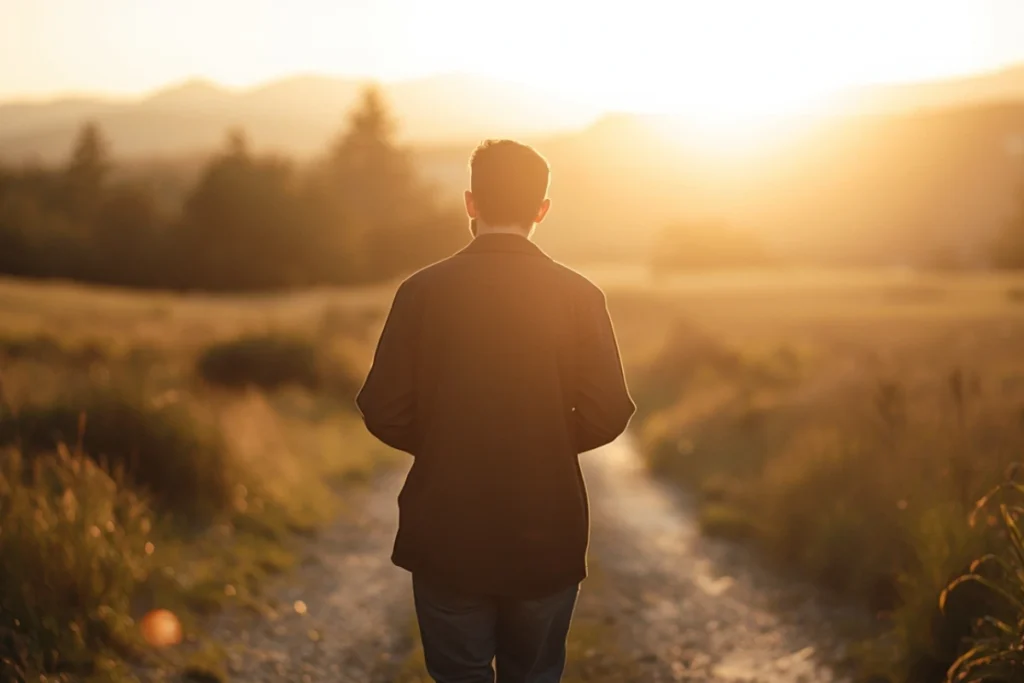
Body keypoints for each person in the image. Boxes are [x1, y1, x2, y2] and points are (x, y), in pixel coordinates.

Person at [357, 139, 635, 683]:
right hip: (547, 528)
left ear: (470, 203)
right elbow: (609, 412)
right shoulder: (580, 296)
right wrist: (541, 436)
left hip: (447, 531)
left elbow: (382, 408)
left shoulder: (420, 292)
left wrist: (452, 437)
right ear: (542, 209)